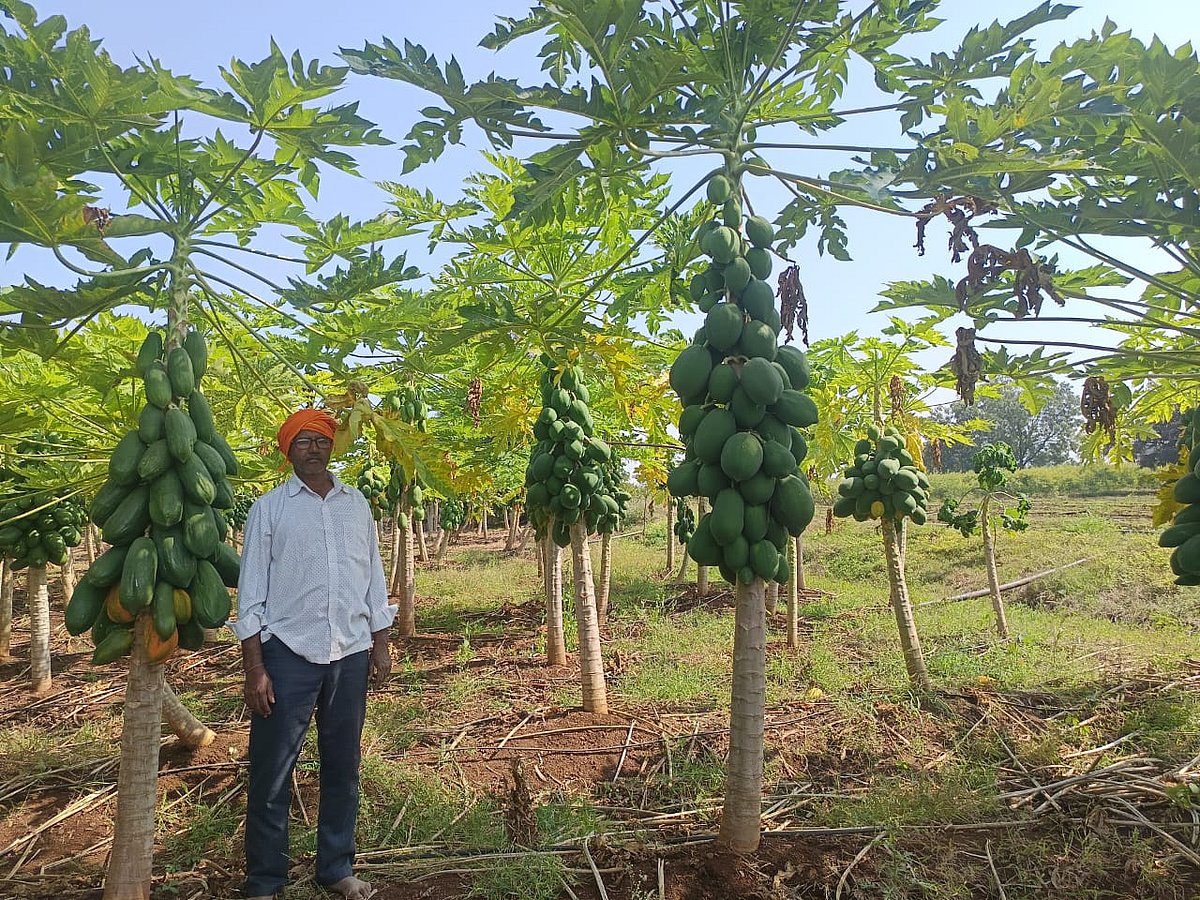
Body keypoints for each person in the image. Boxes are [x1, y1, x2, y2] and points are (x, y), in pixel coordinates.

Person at [233, 408, 395, 900]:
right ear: (288, 450)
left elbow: (374, 577)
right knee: (272, 771)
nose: (313, 448)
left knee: (342, 766)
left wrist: (381, 643)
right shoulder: (269, 509)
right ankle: (265, 881)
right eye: (302, 441)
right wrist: (255, 668)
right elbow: (250, 593)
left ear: (332, 447)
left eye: (321, 440)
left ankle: (336, 868)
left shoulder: (356, 504)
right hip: (287, 653)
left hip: (350, 652)